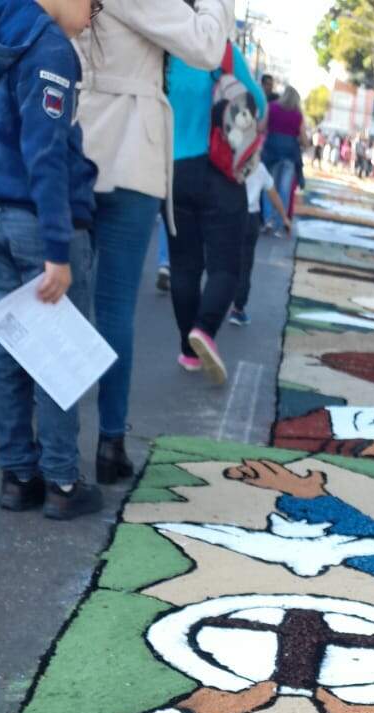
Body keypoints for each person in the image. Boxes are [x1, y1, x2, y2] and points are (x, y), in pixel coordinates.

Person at [75, 0, 234, 486]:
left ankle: (47, 449)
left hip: (71, 139)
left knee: (60, 299)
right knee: (114, 308)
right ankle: (109, 442)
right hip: (126, 149)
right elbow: (208, 45)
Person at [0, 0, 102, 518]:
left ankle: (18, 476)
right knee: (57, 355)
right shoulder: (50, 49)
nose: (94, 14)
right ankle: (62, 481)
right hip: (41, 222)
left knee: (11, 348)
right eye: (95, 2)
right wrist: (59, 252)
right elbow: (45, 152)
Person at [166, 40, 264, 384]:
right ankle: (204, 330)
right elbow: (259, 105)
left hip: (174, 171)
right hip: (221, 171)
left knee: (183, 266)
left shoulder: (166, 48)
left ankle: (188, 350)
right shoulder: (222, 52)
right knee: (225, 266)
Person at [229, 159, 288, 326]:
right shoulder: (259, 167)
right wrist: (284, 217)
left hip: (230, 214)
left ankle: (216, 296)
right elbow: (273, 193)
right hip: (250, 218)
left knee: (226, 258)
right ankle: (238, 309)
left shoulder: (233, 161)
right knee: (245, 264)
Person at [262, 85, 303, 227]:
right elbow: (304, 138)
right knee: (284, 190)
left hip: (271, 151)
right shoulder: (297, 114)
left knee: (269, 185)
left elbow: (262, 127)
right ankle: (281, 221)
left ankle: (268, 219)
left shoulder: (271, 107)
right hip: (289, 155)